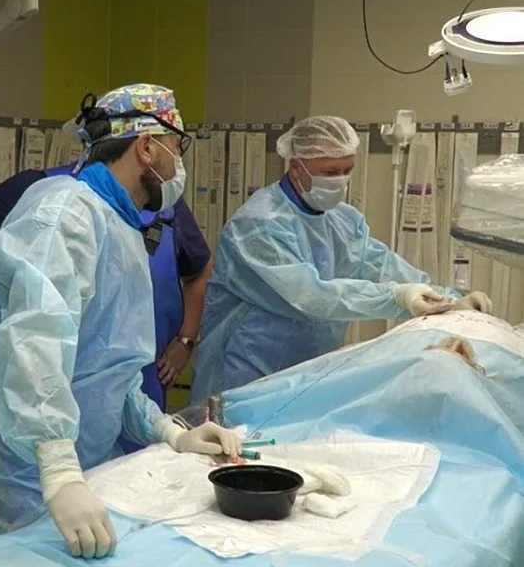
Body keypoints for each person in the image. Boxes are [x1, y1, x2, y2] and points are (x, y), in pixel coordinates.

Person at [0, 84, 241, 561]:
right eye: (177, 147)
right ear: (147, 147)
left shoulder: (118, 224)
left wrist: (171, 432)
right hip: (20, 469)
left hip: (69, 462)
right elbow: (32, 346)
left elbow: (108, 371)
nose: (178, 166)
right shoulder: (65, 214)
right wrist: (59, 471)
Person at [189, 115, 493, 404]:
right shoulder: (259, 225)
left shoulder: (343, 220)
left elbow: (381, 266)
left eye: (347, 170)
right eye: (330, 172)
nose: (340, 180)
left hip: (306, 376)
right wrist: (398, 297)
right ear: (296, 168)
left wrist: (449, 300)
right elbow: (311, 297)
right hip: (244, 376)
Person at [0, 151, 213, 419]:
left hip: (135, 381)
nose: (178, 156)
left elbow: (200, 269)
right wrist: (11, 281)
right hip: (49, 390)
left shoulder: (157, 206)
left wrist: (185, 341)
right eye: (174, 143)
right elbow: (35, 359)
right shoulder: (54, 199)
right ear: (145, 146)